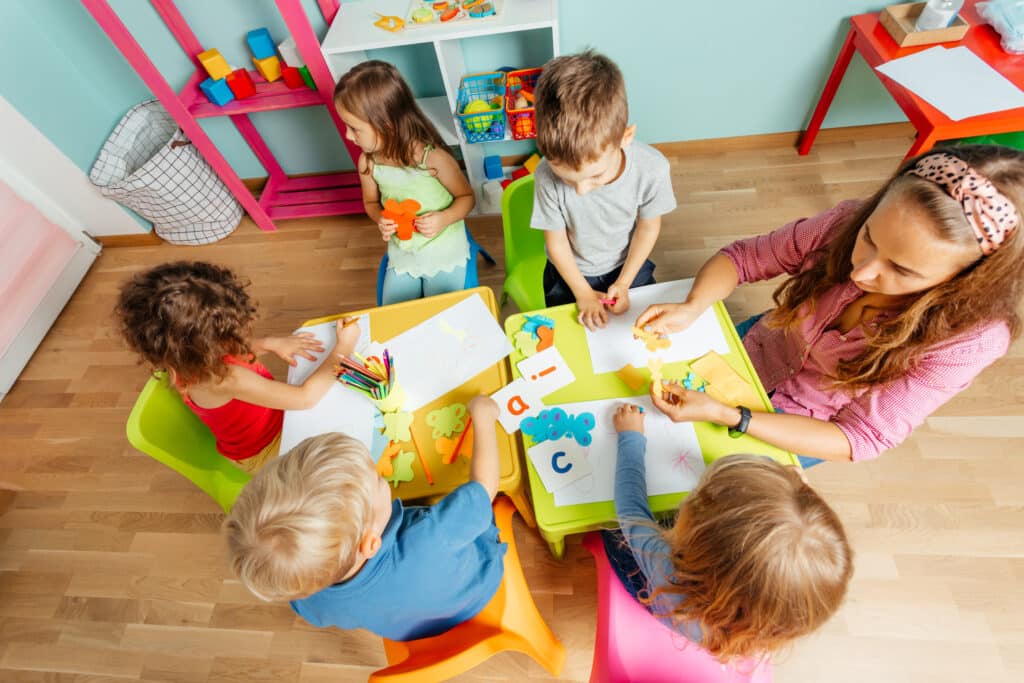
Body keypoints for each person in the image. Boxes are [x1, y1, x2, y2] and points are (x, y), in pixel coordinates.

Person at [636, 145, 1024, 465]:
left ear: (966, 280)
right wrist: (693, 305)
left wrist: (730, 417)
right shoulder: (845, 221)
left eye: (901, 269)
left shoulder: (970, 339)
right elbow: (743, 258)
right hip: (757, 348)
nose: (862, 272)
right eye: (868, 237)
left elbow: (859, 437)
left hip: (802, 424)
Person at [222, 396, 506, 641]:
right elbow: (484, 488)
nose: (382, 479)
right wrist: (483, 417)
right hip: (479, 589)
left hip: (411, 629)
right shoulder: (428, 535)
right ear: (370, 543)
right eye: (379, 479)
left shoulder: (310, 598)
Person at [606, 403, 853, 662]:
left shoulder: (665, 568)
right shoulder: (780, 616)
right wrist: (789, 486)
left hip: (653, 589)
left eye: (696, 497)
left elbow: (630, 511)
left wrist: (630, 437)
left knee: (612, 536)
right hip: (718, 619)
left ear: (694, 540)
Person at [116, 261, 359, 472]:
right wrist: (343, 348)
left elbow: (229, 351)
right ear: (208, 344)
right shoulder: (227, 379)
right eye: (230, 332)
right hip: (269, 451)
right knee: (349, 450)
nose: (241, 334)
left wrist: (267, 343)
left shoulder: (182, 359)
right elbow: (305, 398)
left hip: (275, 423)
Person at [531, 50, 677, 330]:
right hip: (569, 276)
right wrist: (582, 292)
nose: (581, 191)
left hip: (629, 267)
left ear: (625, 137)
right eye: (567, 179)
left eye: (595, 176)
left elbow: (648, 227)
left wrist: (624, 282)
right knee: (573, 336)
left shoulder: (652, 169)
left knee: (638, 330)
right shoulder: (545, 175)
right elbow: (556, 243)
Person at [334, 60, 475, 305]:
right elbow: (370, 203)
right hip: (404, 253)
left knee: (443, 312)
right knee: (395, 314)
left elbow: (467, 198)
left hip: (444, 249)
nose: (347, 135)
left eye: (354, 129)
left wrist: (444, 218)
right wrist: (380, 218)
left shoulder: (433, 159)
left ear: (386, 126)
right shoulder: (368, 162)